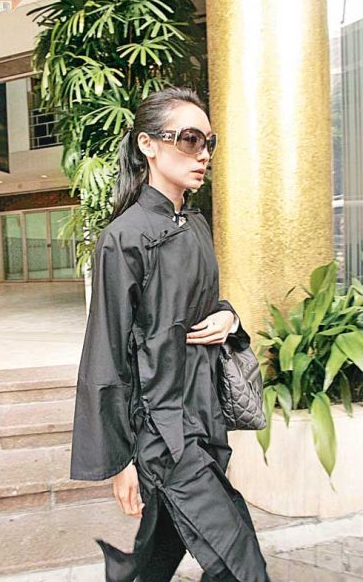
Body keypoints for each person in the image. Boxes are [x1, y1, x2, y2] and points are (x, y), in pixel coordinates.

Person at [70, 86, 271, 582]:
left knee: (160, 549)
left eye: (208, 142)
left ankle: (131, 573)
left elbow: (200, 306)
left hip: (206, 416)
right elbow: (105, 355)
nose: (203, 154)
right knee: (240, 563)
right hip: (164, 433)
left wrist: (229, 319)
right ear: (148, 145)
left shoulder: (195, 226)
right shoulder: (123, 238)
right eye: (189, 139)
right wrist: (120, 460)